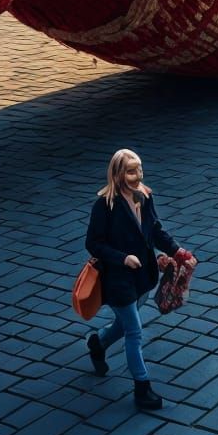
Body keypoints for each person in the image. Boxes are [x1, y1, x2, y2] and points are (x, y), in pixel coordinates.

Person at [84, 148, 183, 413]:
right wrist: (122, 258)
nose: (137, 175)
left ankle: (98, 343)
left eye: (139, 169)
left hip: (143, 276)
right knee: (134, 331)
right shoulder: (105, 205)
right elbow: (93, 243)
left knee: (126, 323)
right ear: (117, 174)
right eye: (130, 171)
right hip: (118, 280)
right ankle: (142, 388)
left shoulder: (144, 197)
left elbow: (155, 230)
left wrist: (177, 251)